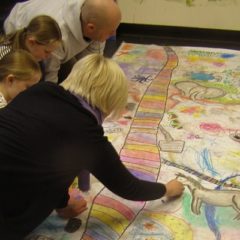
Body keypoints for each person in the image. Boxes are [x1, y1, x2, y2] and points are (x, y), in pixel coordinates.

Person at [0, 53, 184, 239]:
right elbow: (128, 187)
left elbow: (35, 152)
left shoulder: (40, 90)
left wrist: (62, 202)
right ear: (109, 102)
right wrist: (167, 189)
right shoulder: (86, 135)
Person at [4, 0, 121, 83]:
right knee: (36, 77)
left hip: (43, 43)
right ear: (91, 27)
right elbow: (50, 77)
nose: (113, 35)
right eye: (110, 32)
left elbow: (92, 62)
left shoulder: (95, 18)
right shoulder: (57, 36)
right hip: (17, 22)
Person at [1, 15, 62, 81]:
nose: (48, 56)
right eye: (46, 51)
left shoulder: (36, 60)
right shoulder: (5, 57)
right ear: (31, 42)